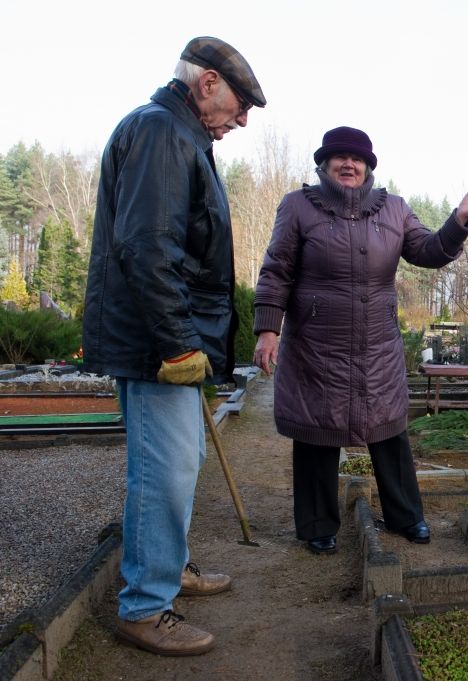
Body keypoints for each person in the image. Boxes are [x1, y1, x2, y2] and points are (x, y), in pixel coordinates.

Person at [81, 37, 265, 656]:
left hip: (170, 338)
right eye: (240, 106)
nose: (242, 121)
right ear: (207, 83)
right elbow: (148, 247)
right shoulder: (162, 131)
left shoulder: (183, 135)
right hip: (154, 343)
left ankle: (169, 565)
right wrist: (180, 344)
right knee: (164, 468)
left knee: (180, 463)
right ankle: (143, 606)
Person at [252, 126, 468, 554]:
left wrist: (459, 221)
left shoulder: (395, 209)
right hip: (316, 344)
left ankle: (407, 518)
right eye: (339, 158)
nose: (349, 164)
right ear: (325, 165)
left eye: (357, 158)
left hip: (376, 344)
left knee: (388, 429)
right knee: (316, 430)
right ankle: (317, 526)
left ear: (368, 166)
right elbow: (277, 270)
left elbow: (429, 252)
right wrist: (268, 330)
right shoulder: (298, 207)